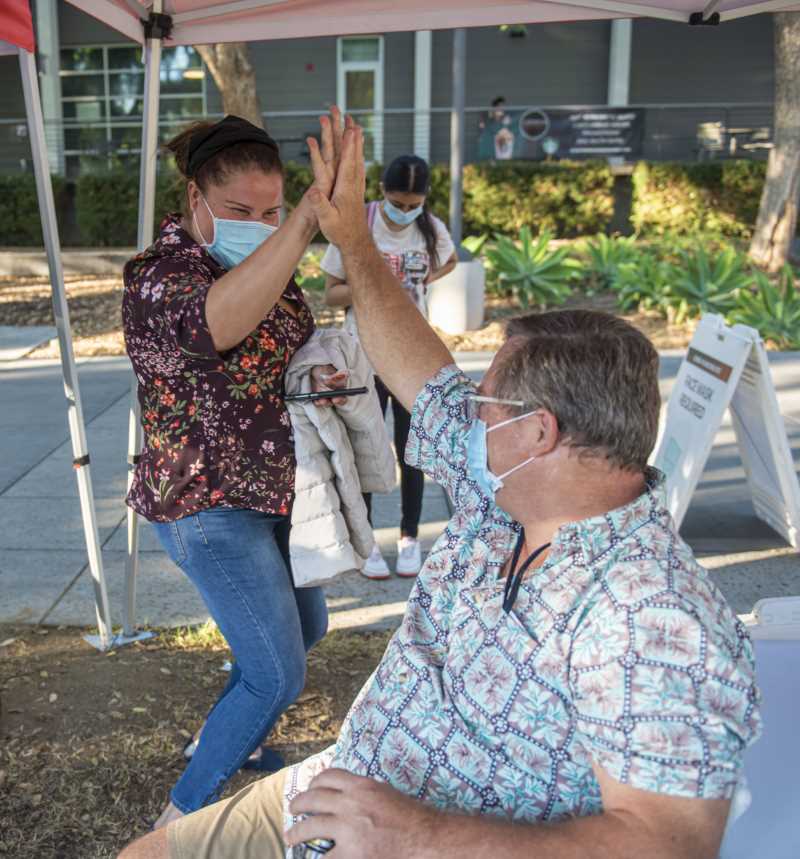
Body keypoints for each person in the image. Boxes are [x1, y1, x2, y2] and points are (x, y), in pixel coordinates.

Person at [119, 124, 762, 859]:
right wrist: (352, 242)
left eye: (484, 403)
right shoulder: (505, 486)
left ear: (539, 432)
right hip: (341, 785)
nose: (460, 413)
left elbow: (668, 844)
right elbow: (420, 368)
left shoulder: (655, 617)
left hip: (408, 835)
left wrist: (416, 834)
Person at [121, 109, 352, 830]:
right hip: (206, 502)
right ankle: (176, 821)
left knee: (305, 625)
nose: (259, 223)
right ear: (193, 200)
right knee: (279, 671)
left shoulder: (262, 262)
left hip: (275, 492)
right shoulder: (160, 277)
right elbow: (215, 326)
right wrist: (300, 224)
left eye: (271, 209)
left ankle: (233, 736)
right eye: (238, 211)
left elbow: (287, 337)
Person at [321, 155, 456, 579]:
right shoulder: (357, 225)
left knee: (412, 454)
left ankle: (409, 538)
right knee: (368, 451)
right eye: (398, 202)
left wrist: (416, 285)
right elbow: (330, 294)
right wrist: (372, 285)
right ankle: (366, 543)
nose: (404, 211)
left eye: (413, 203)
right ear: (382, 192)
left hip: (411, 358)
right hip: (366, 356)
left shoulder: (430, 229)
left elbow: (449, 261)